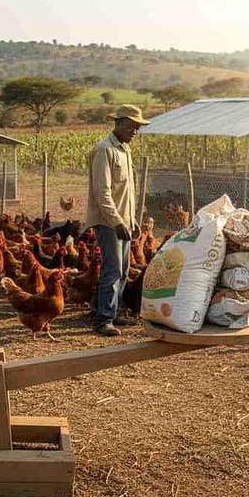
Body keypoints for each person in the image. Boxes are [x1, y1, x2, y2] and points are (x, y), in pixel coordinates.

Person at [86, 104, 147, 337]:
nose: (135, 132)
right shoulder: (104, 149)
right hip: (108, 221)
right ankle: (103, 320)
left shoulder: (124, 149)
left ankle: (113, 312)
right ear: (119, 123)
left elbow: (125, 192)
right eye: (131, 127)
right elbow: (103, 193)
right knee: (112, 270)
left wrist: (131, 220)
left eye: (138, 128)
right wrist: (117, 222)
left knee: (123, 270)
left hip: (123, 220)